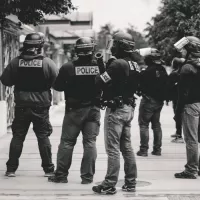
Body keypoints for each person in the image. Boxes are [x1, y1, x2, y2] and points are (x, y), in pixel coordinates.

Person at [0, 32, 58, 177]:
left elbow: (5, 80)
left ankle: (11, 169)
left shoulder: (15, 62)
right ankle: (49, 170)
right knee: (43, 137)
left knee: (18, 136)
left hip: (21, 105)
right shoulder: (47, 63)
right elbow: (57, 83)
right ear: (40, 47)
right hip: (41, 106)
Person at [48, 37, 101, 184]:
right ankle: (87, 177)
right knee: (90, 143)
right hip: (94, 110)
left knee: (67, 143)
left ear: (77, 50)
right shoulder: (99, 67)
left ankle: (61, 176)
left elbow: (57, 87)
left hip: (74, 110)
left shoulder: (68, 67)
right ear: (92, 49)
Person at [92, 32, 139, 195]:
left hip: (116, 110)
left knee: (112, 148)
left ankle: (109, 183)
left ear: (121, 46)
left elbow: (100, 81)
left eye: (115, 43)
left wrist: (102, 68)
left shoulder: (117, 64)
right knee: (126, 147)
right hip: (128, 108)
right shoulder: (134, 64)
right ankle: (131, 182)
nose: (113, 46)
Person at [173, 36, 200, 179]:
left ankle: (191, 170)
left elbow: (183, 93)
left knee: (191, 139)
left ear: (189, 49)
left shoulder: (187, 67)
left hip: (191, 105)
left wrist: (178, 111)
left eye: (183, 49)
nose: (181, 52)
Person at [136, 48, 168, 157]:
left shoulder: (147, 71)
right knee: (156, 125)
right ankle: (157, 149)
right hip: (159, 101)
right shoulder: (163, 70)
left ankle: (143, 150)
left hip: (148, 100)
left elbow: (139, 84)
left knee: (144, 125)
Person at [168, 57, 185, 143]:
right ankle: (178, 132)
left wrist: (167, 98)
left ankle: (179, 135)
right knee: (178, 115)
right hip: (181, 97)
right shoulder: (182, 73)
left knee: (178, 115)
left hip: (176, 98)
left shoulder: (174, 74)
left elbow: (169, 86)